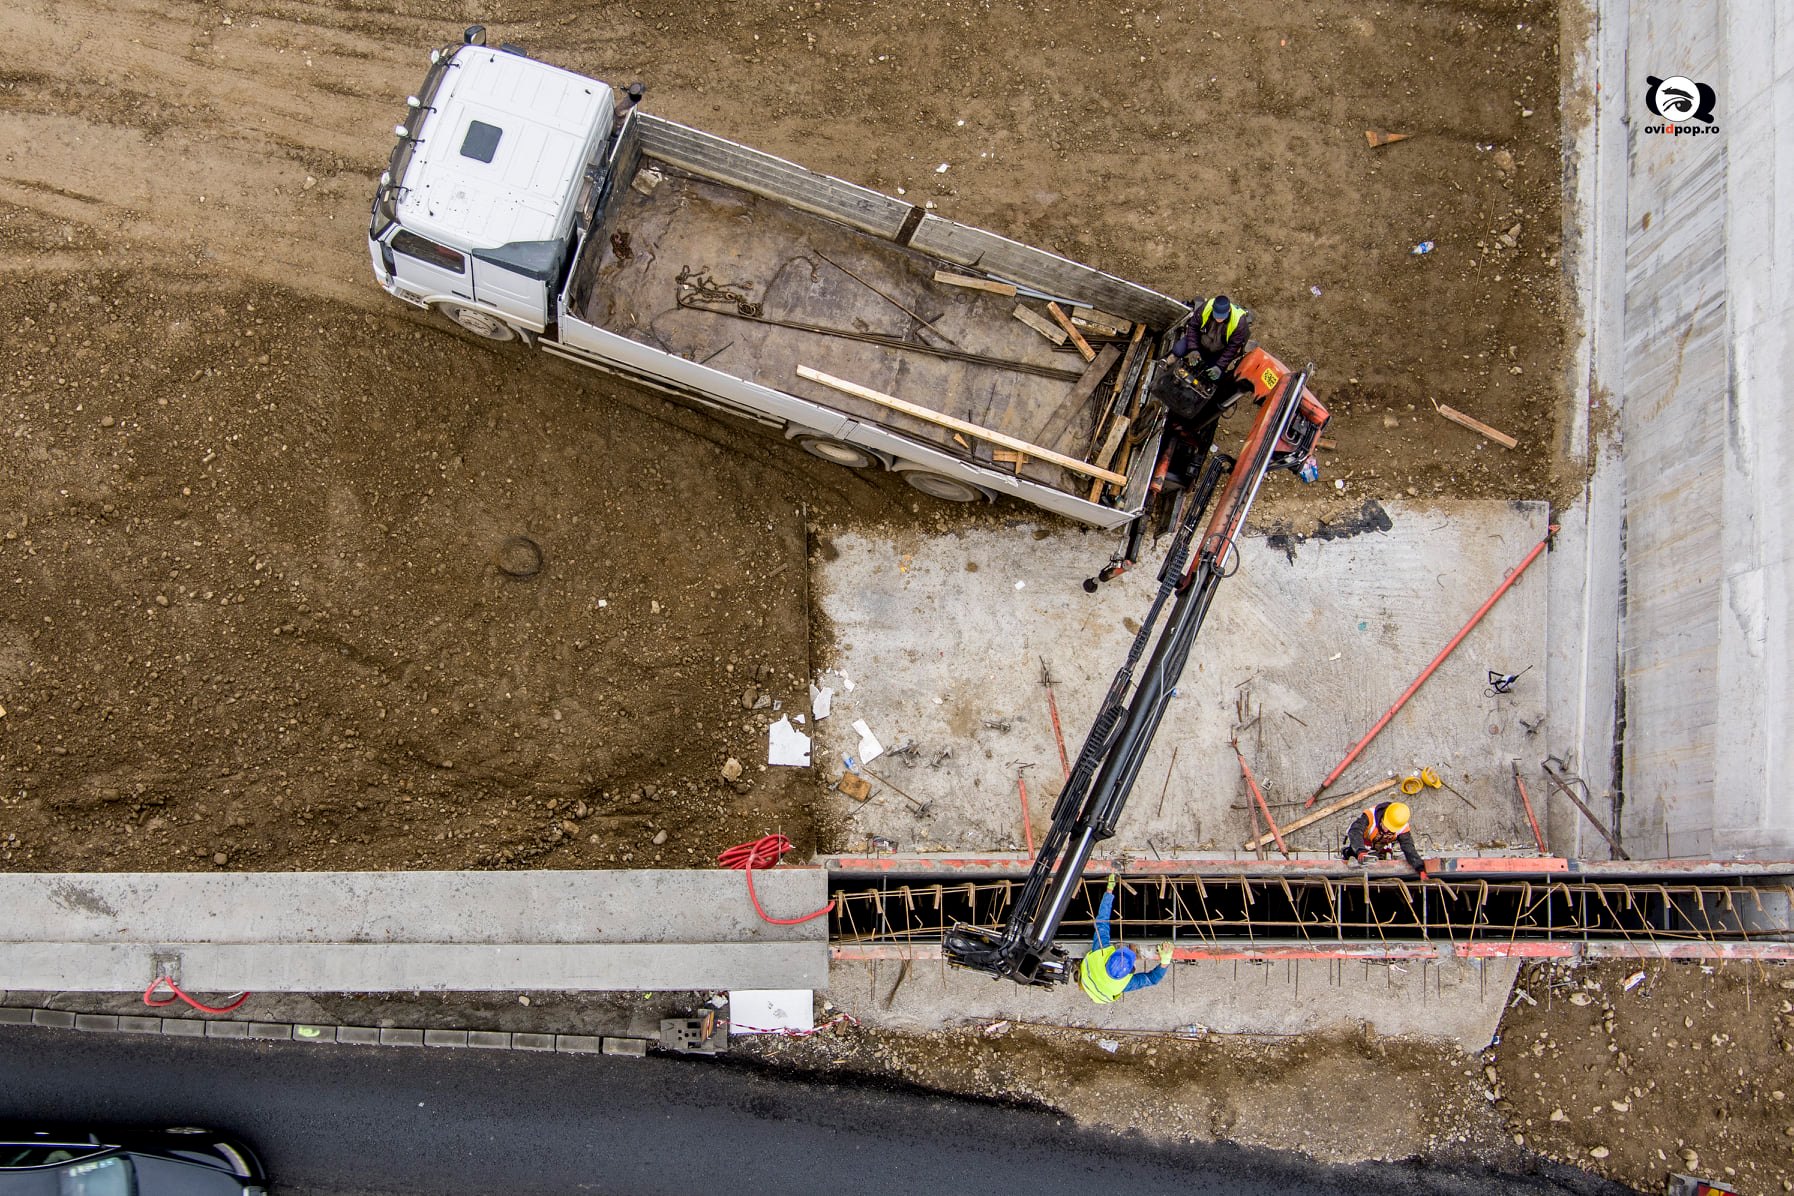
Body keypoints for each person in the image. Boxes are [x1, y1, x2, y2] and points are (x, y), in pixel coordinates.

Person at [1149, 295, 1256, 485]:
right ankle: (1169, 361)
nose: (1218, 319)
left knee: (1212, 377)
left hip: (1218, 353)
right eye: (1216, 315)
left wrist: (1219, 366)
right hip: (1200, 345)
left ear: (1228, 312)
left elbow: (1232, 349)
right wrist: (1194, 349)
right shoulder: (1206, 309)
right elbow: (1192, 328)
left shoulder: (1239, 324)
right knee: (1180, 348)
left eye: (1221, 317)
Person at [1078, 873, 1172, 1004]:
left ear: (1109, 958)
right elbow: (1152, 979)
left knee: (1101, 931)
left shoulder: (1100, 954)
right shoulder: (1124, 984)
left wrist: (1109, 891)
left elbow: (1102, 921)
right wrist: (1165, 960)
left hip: (1094, 983)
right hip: (1094, 985)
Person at [1342, 800, 1429, 876]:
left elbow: (1409, 848)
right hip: (1362, 842)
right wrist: (1360, 850)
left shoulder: (1401, 826)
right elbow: (1355, 831)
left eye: (1391, 829)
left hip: (1380, 846)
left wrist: (1420, 868)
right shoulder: (1370, 815)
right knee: (1355, 855)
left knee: (1382, 853)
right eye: (1386, 826)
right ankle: (1349, 852)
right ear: (1383, 817)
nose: (1387, 830)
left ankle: (1379, 854)